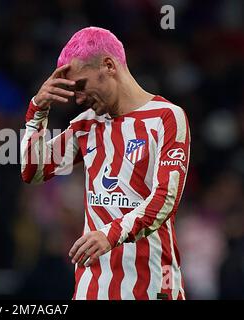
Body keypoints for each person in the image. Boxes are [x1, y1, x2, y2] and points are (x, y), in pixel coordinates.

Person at [20, 27, 190, 300]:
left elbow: (166, 198)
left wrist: (109, 234)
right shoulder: (86, 125)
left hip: (153, 284)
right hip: (94, 286)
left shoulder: (167, 118)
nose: (77, 99)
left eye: (81, 85)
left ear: (109, 66)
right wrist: (38, 109)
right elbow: (32, 171)